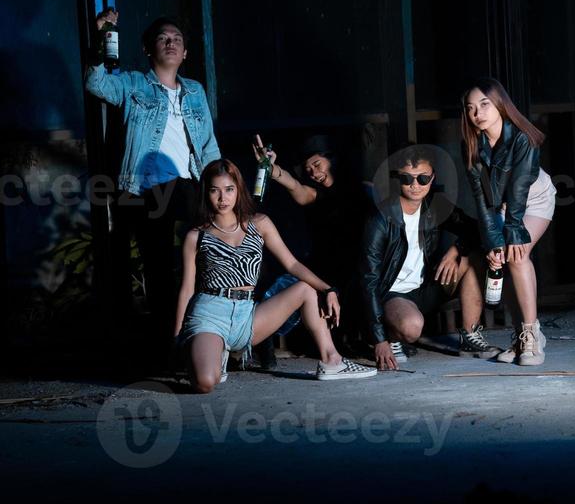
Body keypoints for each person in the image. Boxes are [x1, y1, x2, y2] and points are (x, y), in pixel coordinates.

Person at [175, 159, 377, 390]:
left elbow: (292, 264)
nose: (223, 198)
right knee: (205, 383)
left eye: (229, 189)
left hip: (247, 316)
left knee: (305, 288)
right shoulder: (196, 236)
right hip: (210, 314)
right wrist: (178, 337)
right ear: (206, 193)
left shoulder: (259, 223)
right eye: (215, 190)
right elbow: (187, 289)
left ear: (239, 190)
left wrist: (327, 289)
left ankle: (332, 360)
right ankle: (210, 353)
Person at [85, 8, 220, 341]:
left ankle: (207, 333)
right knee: (158, 268)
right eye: (163, 38)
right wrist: (98, 38)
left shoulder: (195, 91)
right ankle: (167, 345)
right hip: (145, 190)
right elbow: (95, 82)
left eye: (176, 39)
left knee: (205, 257)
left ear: (185, 52)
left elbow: (207, 146)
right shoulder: (133, 84)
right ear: (149, 49)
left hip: (188, 186)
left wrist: (221, 185)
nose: (170, 43)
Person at [361, 145, 502, 371]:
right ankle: (392, 335)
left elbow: (476, 229)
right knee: (412, 327)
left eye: (423, 178)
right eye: (407, 178)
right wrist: (379, 339)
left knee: (473, 256)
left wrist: (456, 249)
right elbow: (368, 278)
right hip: (391, 294)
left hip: (426, 288)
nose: (415, 185)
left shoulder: (435, 205)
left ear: (432, 177)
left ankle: (469, 337)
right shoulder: (380, 218)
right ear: (398, 178)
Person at [251, 133, 370, 363]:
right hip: (323, 267)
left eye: (317, 164)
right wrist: (272, 168)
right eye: (308, 169)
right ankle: (262, 338)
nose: (314, 173)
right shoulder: (313, 194)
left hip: (356, 268)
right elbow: (294, 185)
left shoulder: (361, 191)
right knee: (287, 287)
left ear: (332, 159)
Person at [461, 77, 556, 366]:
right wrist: (492, 240)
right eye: (470, 108)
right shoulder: (472, 145)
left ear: (500, 104)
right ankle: (519, 337)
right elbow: (481, 199)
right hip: (503, 207)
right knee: (502, 258)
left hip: (535, 200)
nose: (478, 113)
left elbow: (519, 188)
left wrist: (511, 231)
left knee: (518, 254)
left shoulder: (522, 138)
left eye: (485, 104)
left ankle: (532, 336)